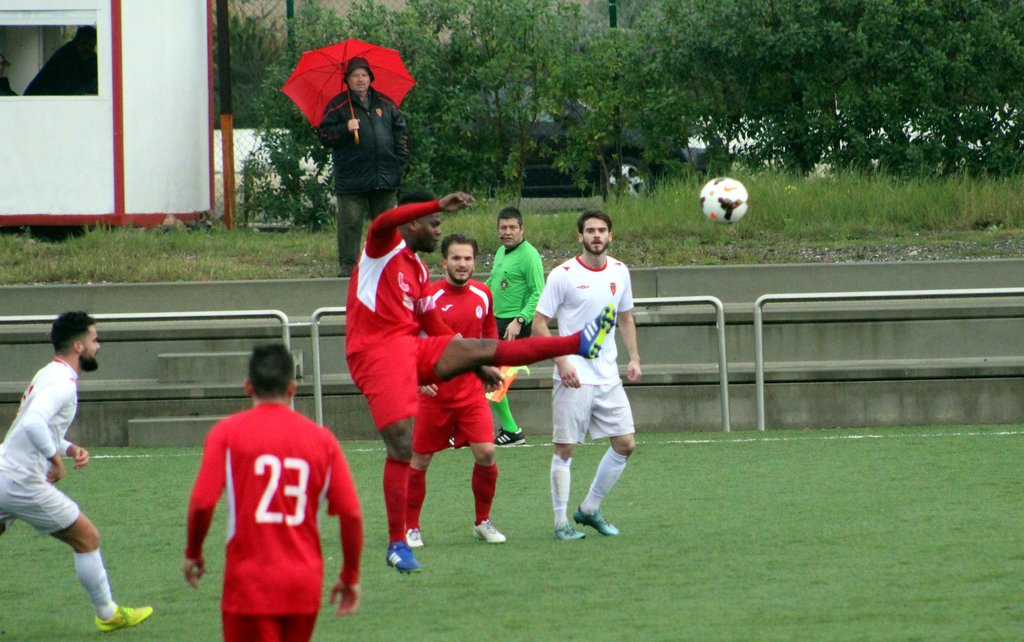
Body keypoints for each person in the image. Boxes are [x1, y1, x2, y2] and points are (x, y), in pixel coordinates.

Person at [344, 190, 615, 573]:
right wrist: (437, 203)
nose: (438, 230)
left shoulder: (418, 270)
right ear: (412, 221)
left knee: (486, 349)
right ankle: (398, 542)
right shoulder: (381, 247)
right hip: (374, 354)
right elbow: (383, 220)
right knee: (403, 444)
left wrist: (472, 361)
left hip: (409, 350)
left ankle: (579, 342)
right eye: (434, 224)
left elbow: (433, 325)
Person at [183, 344, 363, 642]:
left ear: (248, 387)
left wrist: (193, 553)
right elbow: (351, 513)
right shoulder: (323, 440)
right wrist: (350, 575)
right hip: (303, 584)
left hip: (250, 585)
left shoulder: (226, 434)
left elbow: (202, 503)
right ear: (292, 388)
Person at [0, 312, 153, 632]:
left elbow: (38, 423)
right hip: (21, 480)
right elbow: (32, 423)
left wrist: (68, 448)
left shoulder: (49, 373)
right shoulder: (63, 384)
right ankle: (108, 614)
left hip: (4, 471)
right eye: (95, 339)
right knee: (87, 537)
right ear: (78, 345)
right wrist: (55, 459)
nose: (98, 346)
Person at [533, 210, 641, 540]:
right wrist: (561, 362)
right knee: (565, 449)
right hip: (573, 376)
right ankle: (560, 523)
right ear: (580, 236)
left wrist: (634, 358)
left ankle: (590, 509)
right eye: (590, 230)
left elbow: (625, 317)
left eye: (602, 230)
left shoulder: (620, 271)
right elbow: (539, 324)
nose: (596, 235)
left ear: (610, 236)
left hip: (608, 376)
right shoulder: (563, 274)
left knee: (625, 444)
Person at [406, 234, 507, 549]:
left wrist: (491, 367)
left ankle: (482, 522)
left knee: (486, 452)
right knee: (420, 459)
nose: (462, 264)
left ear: (475, 262)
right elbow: (408, 338)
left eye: (467, 258)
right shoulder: (429, 297)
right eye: (456, 258)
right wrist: (416, 376)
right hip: (434, 393)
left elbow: (489, 336)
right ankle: (411, 528)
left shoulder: (483, 294)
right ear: (444, 262)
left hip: (469, 392)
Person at [318, 56, 409, 277]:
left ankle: (388, 265)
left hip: (385, 177)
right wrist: (345, 129)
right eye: (355, 75)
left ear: (370, 78)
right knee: (350, 224)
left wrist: (399, 160)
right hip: (352, 179)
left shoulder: (386, 104)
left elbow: (401, 131)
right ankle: (348, 266)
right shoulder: (338, 106)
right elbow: (324, 135)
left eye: (364, 75)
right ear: (347, 80)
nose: (360, 79)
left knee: (387, 225)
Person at [485, 207, 546, 446]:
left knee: (494, 381)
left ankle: (511, 431)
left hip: (514, 328)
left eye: (512, 227)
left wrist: (519, 320)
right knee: (486, 378)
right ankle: (505, 430)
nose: (507, 232)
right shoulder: (501, 252)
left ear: (522, 229)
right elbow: (493, 282)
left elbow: (538, 292)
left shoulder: (529, 255)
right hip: (495, 324)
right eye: (503, 227)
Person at [24, 26, 98, 96]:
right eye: (84, 43)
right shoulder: (66, 56)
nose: (87, 48)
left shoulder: (92, 58)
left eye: (91, 45)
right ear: (76, 43)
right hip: (38, 97)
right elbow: (71, 87)